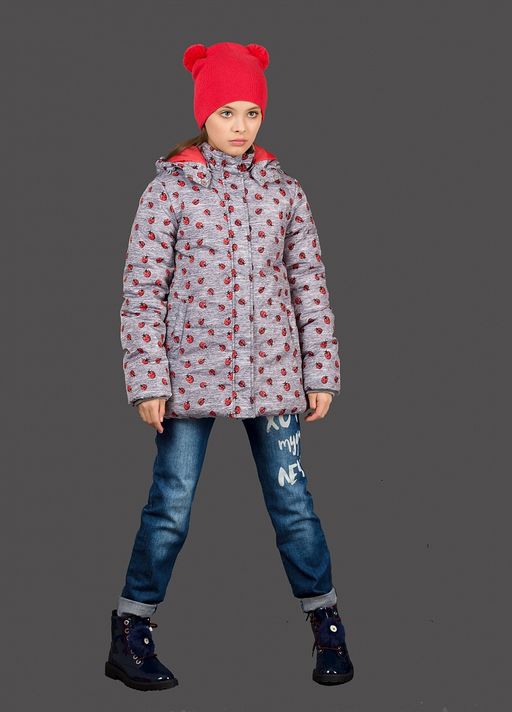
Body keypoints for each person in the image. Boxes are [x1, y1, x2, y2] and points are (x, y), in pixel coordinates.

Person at [105, 41, 354, 691]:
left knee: (293, 504)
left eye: (252, 112)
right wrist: (148, 380)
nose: (240, 126)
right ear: (203, 113)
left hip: (274, 377)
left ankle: (326, 623)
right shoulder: (169, 191)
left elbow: (309, 283)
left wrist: (320, 370)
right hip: (189, 377)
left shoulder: (286, 193)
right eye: (226, 112)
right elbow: (143, 290)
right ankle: (130, 629)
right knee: (171, 504)